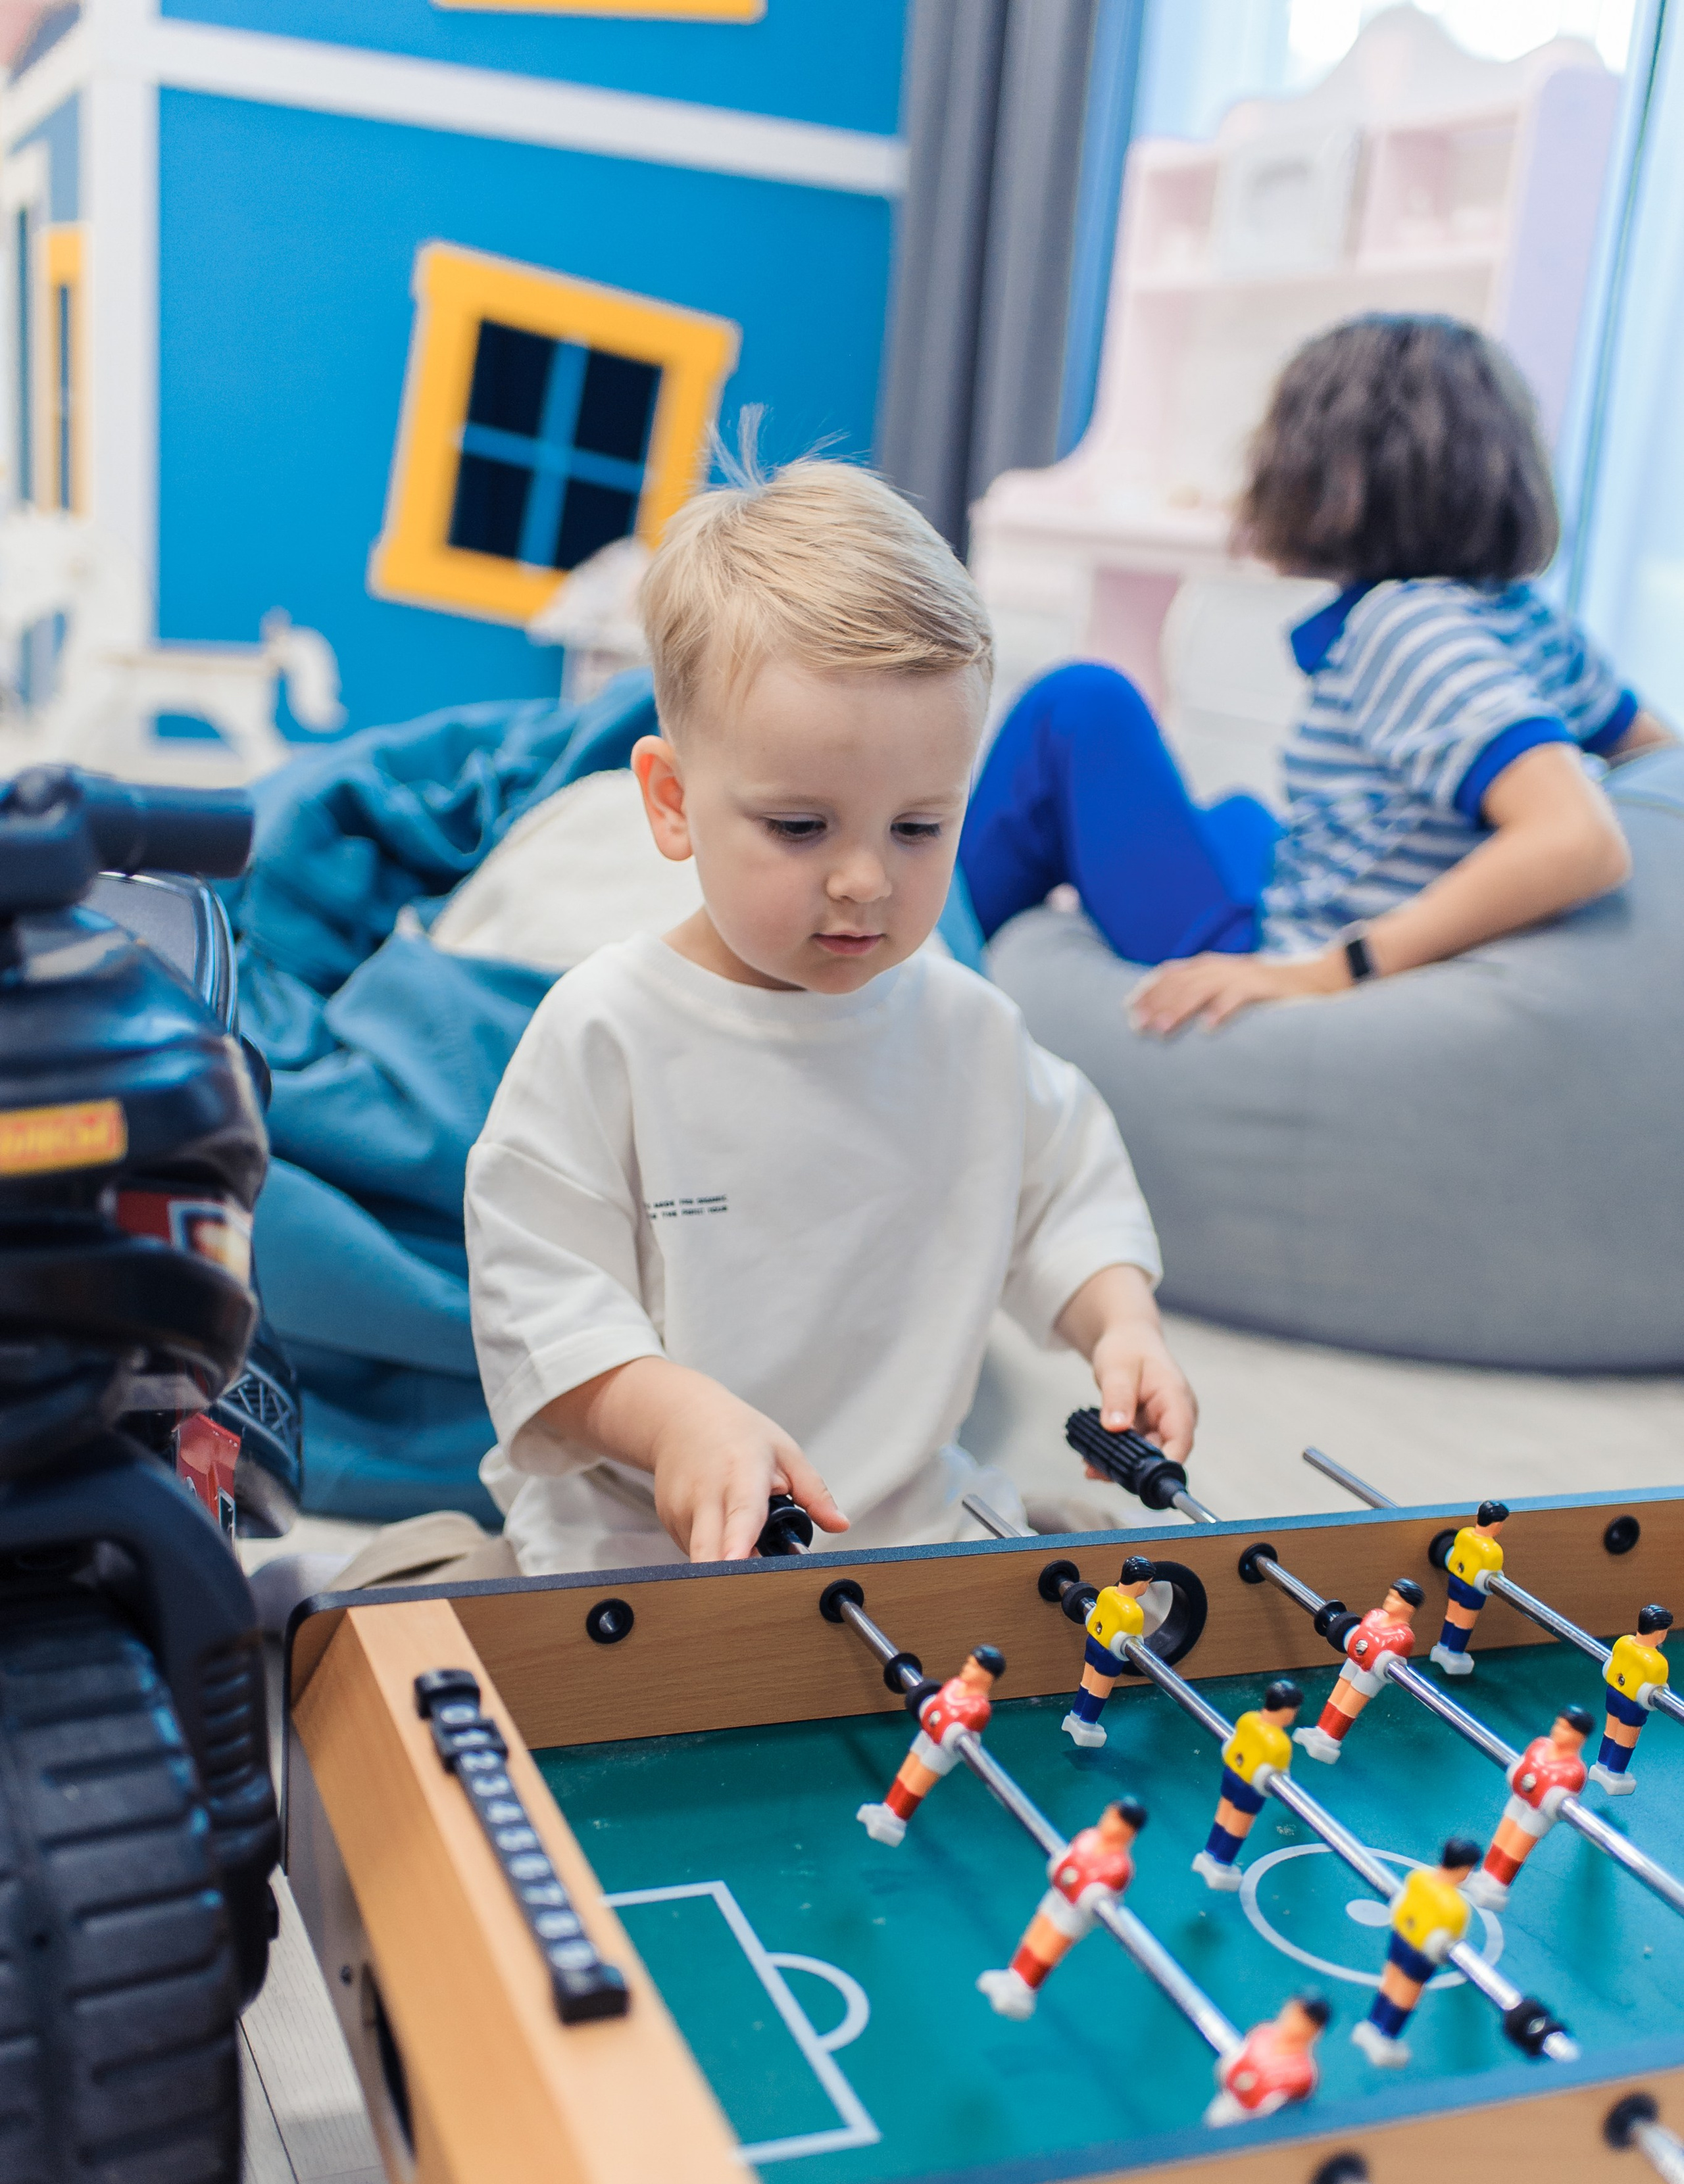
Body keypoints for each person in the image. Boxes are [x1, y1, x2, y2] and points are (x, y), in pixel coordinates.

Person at [465, 457, 1195, 1575]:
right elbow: (538, 1301)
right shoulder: (605, 1031)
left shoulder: (971, 1032)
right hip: (639, 1543)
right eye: (801, 827)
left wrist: (1121, 1324)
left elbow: (1069, 1196)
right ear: (671, 803)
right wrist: (673, 1418)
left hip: (907, 1529)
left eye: (918, 829)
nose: (866, 880)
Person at [958, 315, 1671, 1034]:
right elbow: (1658, 760)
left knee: (1078, 707)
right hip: (1308, 896)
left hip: (1290, 954)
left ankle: (928, 962)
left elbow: (1580, 840)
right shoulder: (1524, 617)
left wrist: (1332, 970)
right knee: (1240, 813)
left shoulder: (1408, 628)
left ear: (1333, 474)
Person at [977, 1798, 1148, 2019]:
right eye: (1108, 1814)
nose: (1107, 1821)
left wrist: (1089, 1894)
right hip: (1059, 1894)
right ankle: (1012, 1975)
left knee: (1049, 1945)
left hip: (1075, 1911)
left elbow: (1100, 1893)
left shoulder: (1120, 1866)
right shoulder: (1088, 1837)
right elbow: (1067, 1857)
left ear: (1129, 1831)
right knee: (1035, 1933)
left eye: (1115, 1819)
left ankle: (1023, 1991)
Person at [1352, 1837, 1480, 2070]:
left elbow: (1402, 1905)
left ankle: (1372, 2025)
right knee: (1407, 1993)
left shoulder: (1419, 1877)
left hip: (1400, 1938)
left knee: (1390, 1980)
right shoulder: (1455, 1908)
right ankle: (1386, 2036)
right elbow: (1451, 1941)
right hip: (1422, 1953)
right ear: (1464, 1869)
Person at [858, 1646, 1004, 1847]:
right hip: (927, 1734)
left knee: (916, 1782)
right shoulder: (954, 1685)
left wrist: (948, 1729)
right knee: (906, 1773)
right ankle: (887, 1809)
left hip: (942, 1750)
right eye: (968, 1663)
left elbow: (961, 1731)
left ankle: (896, 1821)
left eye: (973, 1666)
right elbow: (935, 1706)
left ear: (987, 1677)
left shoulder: (979, 1708)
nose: (966, 1667)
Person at [1464, 1707, 1592, 1913]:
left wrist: (1547, 1797)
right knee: (1502, 1837)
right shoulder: (1540, 1745)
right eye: (1558, 1724)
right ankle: (1486, 1873)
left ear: (1580, 1737)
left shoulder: (1575, 1770)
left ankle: (1498, 1885)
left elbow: (1557, 1798)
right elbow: (1521, 1766)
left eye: (1565, 1729)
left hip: (1538, 1813)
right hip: (1519, 1798)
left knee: (1517, 1846)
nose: (1557, 1730)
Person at [1294, 1579, 1424, 1764]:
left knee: (1348, 1706)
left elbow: (1384, 1656)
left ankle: (1331, 1739)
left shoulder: (1404, 1637)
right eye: (1390, 1595)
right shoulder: (1374, 1615)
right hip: (1353, 1662)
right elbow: (1359, 1637)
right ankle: (1320, 1729)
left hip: (1369, 1675)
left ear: (1409, 1608)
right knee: (1335, 1698)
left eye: (1396, 1599)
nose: (1389, 1600)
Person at [1191, 1679, 1302, 1893]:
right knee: (1237, 1826)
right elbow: (1282, 1777)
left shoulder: (1248, 1719)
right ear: (1287, 1712)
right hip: (1251, 1788)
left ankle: (1209, 1853)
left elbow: (1234, 1744)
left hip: (1231, 1774)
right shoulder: (1280, 1744)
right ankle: (1222, 1864)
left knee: (1223, 1815)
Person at [1062, 1556, 1155, 1749]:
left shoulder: (1107, 1593)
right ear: (1140, 1584)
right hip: (1110, 1655)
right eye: (1147, 1584)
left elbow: (1094, 1618)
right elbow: (1134, 1642)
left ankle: (1075, 1717)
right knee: (1099, 1691)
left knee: (1086, 1683)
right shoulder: (1134, 1613)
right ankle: (1086, 1726)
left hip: (1093, 1644)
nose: (1146, 1588)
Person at [1206, 1993, 1331, 2126]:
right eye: (1293, 2010)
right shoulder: (1263, 2033)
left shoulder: (1305, 2075)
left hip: (1253, 2134)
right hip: (1223, 2108)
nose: (1291, 2017)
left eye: (1301, 2017)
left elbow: (1281, 2120)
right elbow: (1229, 2067)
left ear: (1314, 2029)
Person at [1591, 1607, 1673, 1795]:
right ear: (1660, 1633)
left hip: (1613, 1694)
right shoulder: (1657, 1662)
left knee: (1610, 1732)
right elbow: (1655, 1692)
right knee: (1625, 1741)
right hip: (1633, 1704)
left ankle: (1601, 1765)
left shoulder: (1623, 1642)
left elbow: (1610, 1668)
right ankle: (1616, 1774)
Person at [1431, 1502, 1508, 1675]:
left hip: (1455, 1581)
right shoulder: (1493, 1551)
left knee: (1451, 1617)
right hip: (1472, 1590)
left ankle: (1442, 1647)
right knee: (1463, 1624)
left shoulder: (1464, 1534)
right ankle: (1455, 1655)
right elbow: (1493, 1576)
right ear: (1496, 1524)